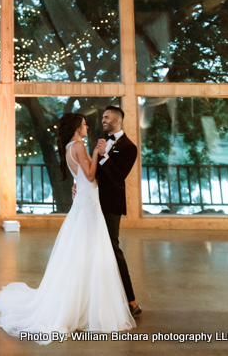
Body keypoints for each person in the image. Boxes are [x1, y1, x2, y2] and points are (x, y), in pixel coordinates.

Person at [0, 113, 135, 344]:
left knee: (83, 250)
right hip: (88, 203)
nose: (88, 126)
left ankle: (85, 301)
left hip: (85, 199)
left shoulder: (70, 146)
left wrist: (81, 180)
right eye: (85, 124)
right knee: (93, 250)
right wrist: (98, 152)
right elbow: (89, 174)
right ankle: (87, 307)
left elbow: (80, 176)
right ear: (77, 128)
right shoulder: (78, 145)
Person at [97, 105, 141, 317]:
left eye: (106, 117)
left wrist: (104, 156)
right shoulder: (102, 140)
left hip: (111, 205)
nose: (102, 120)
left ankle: (132, 302)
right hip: (94, 202)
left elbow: (118, 178)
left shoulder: (129, 147)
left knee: (113, 249)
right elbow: (94, 171)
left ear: (116, 120)